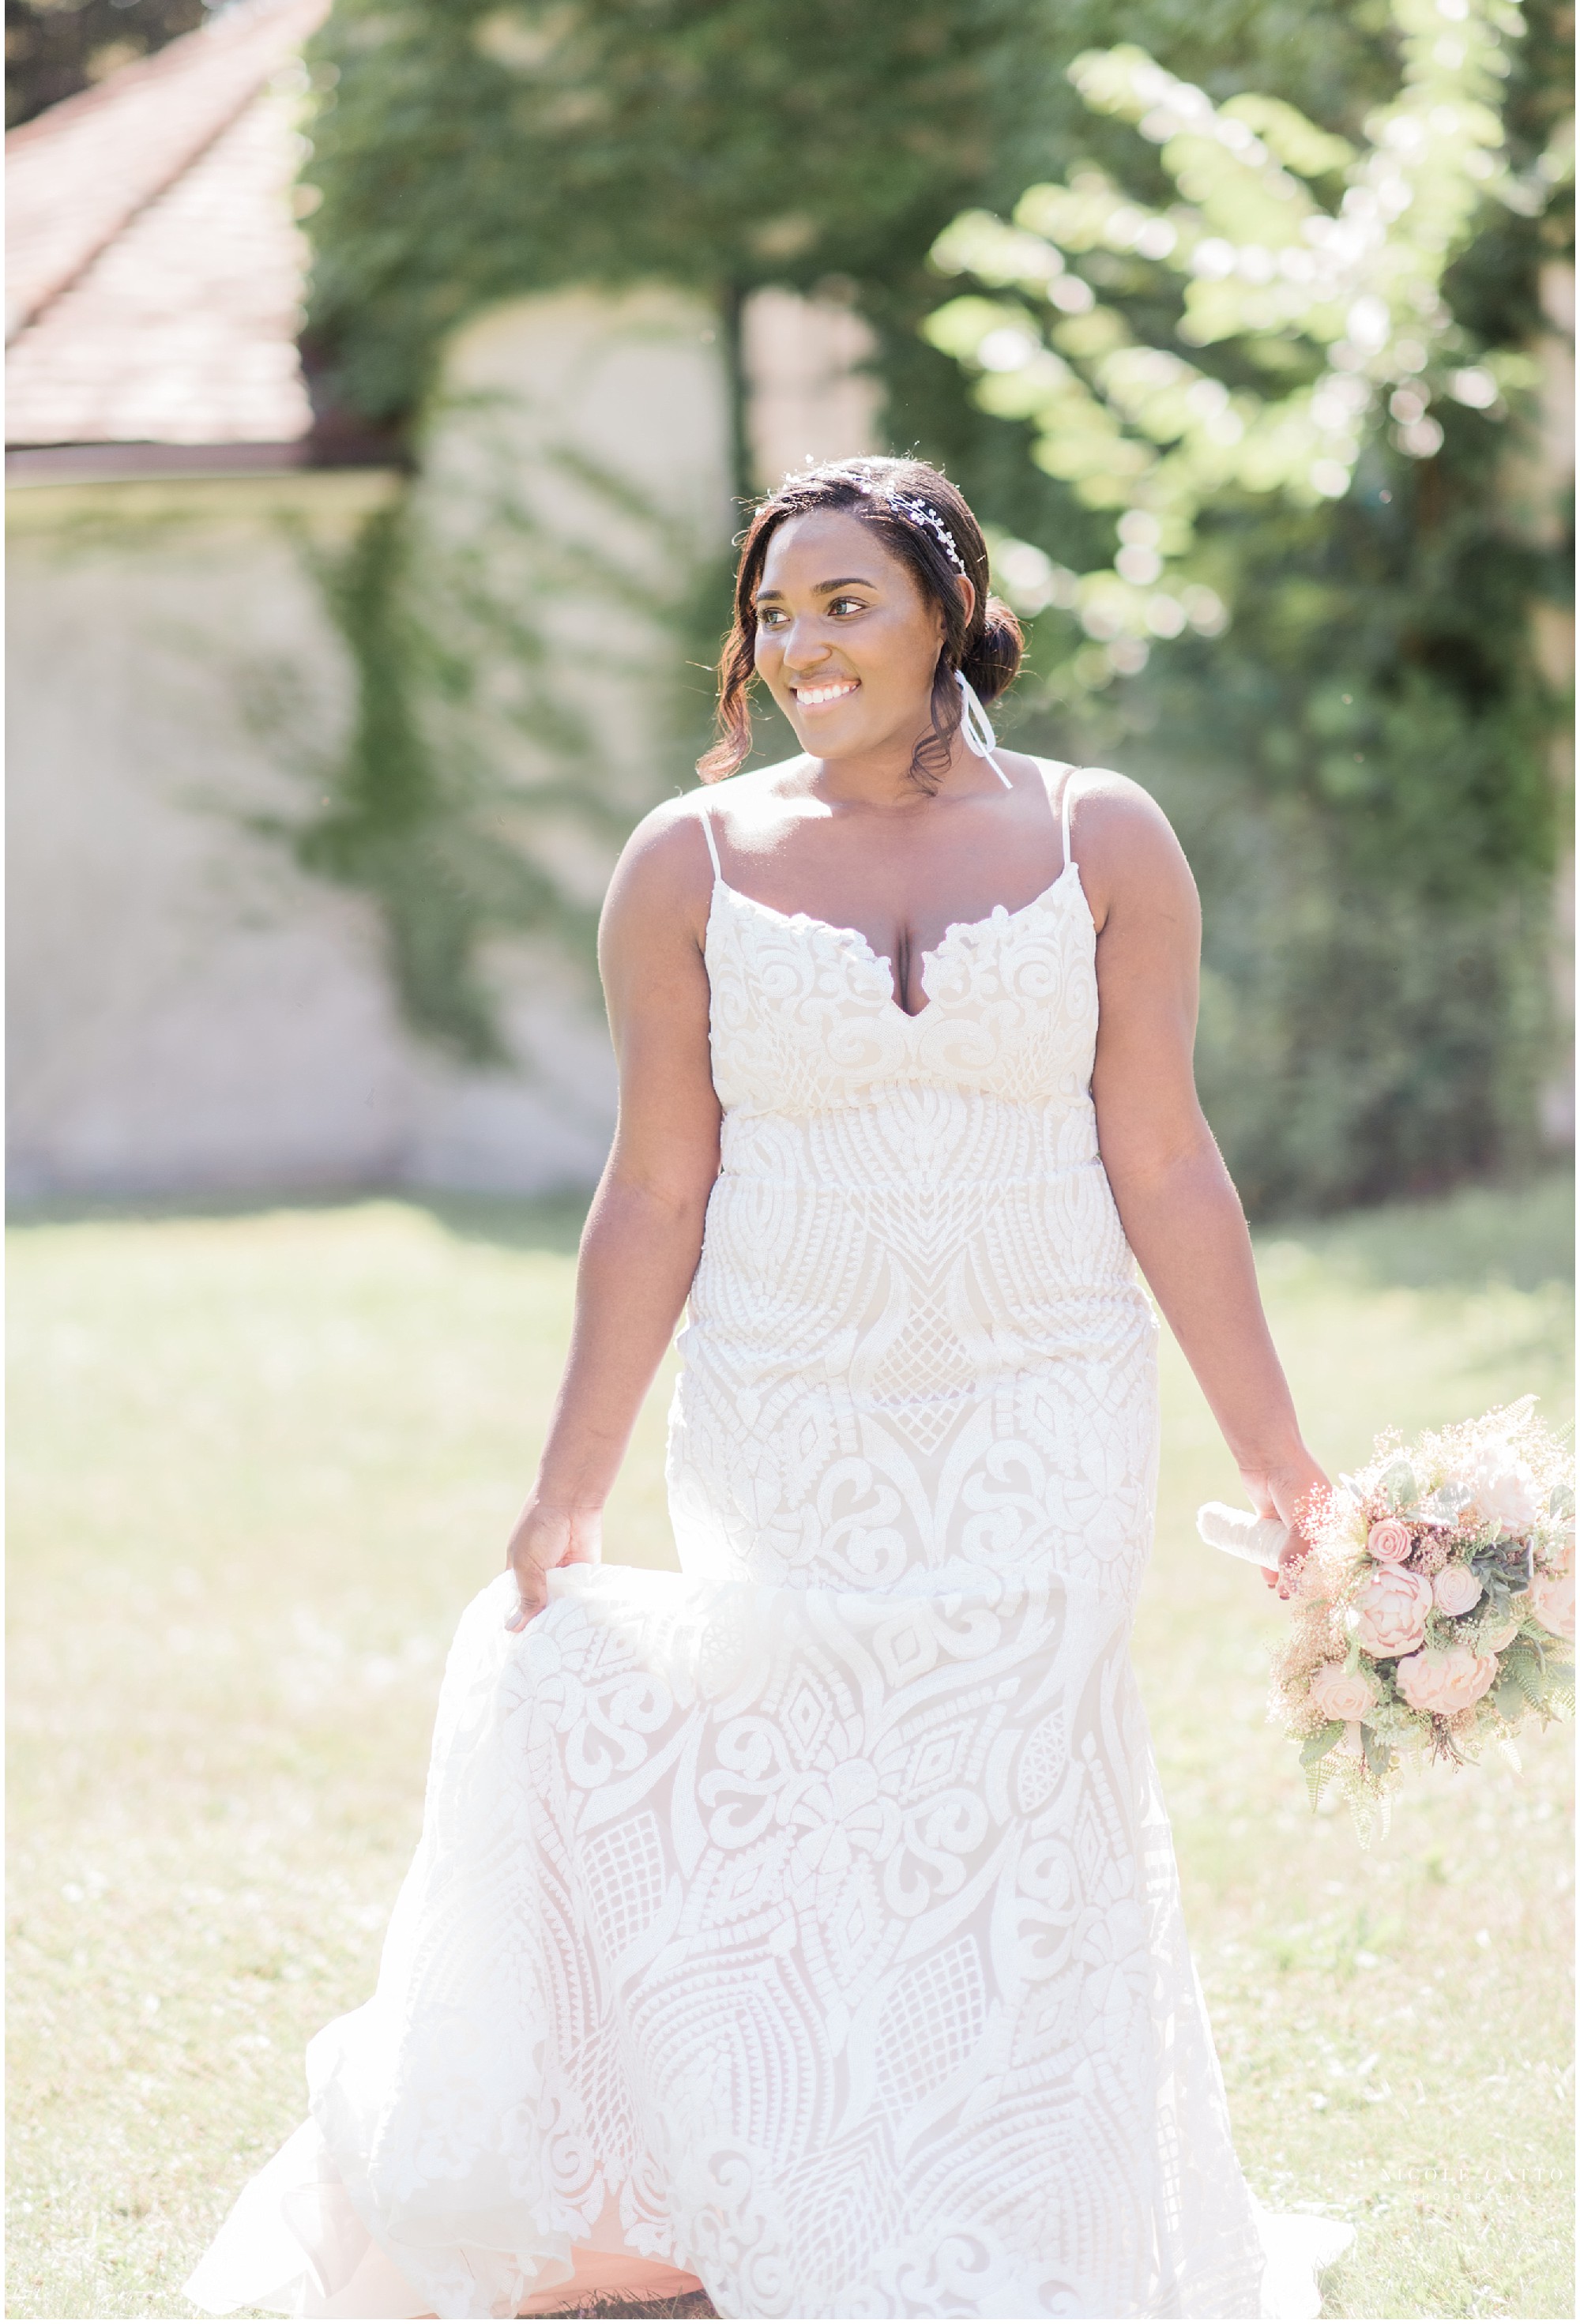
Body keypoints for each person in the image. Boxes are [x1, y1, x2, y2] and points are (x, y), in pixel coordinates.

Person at [187, 457, 1354, 2321]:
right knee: (818, 1782)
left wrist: (1278, 1458)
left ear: (948, 611)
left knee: (1012, 1790)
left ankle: (1011, 2234)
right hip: (790, 1407)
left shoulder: (1102, 837)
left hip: (1044, 1396)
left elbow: (1164, 1160)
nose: (800, 644)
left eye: (844, 604)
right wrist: (568, 1481)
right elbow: (656, 1182)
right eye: (775, 612)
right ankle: (784, 2181)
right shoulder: (690, 860)